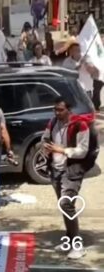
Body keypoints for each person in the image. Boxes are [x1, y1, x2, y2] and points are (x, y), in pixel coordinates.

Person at [42, 97, 98, 259]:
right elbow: (45, 137)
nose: (57, 112)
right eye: (55, 109)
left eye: (60, 110)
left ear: (69, 110)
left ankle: (77, 246)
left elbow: (83, 151)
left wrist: (63, 150)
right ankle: (69, 241)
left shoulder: (79, 125)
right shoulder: (53, 122)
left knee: (67, 206)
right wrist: (45, 146)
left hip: (72, 171)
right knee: (64, 207)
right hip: (55, 170)